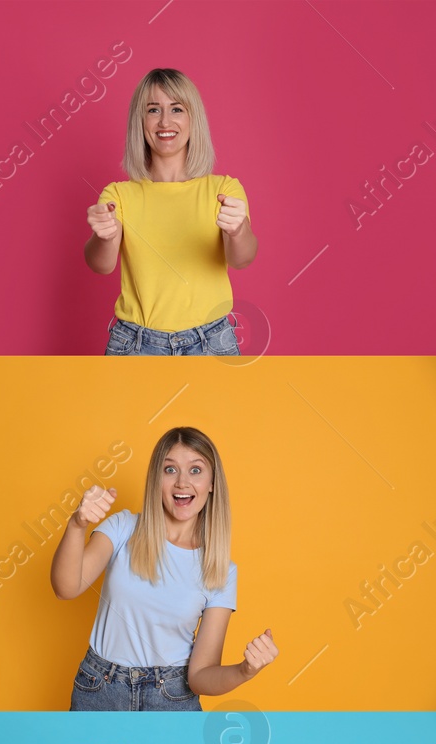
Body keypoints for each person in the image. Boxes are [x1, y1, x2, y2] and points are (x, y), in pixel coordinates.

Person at [50, 426, 277, 710]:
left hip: (171, 698)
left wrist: (245, 670)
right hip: (100, 689)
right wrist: (77, 524)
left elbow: (200, 677)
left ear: (212, 483)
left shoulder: (220, 569)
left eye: (195, 470)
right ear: (156, 479)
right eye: (170, 470)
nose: (182, 482)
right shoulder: (123, 528)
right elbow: (66, 588)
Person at [84, 69, 256, 355]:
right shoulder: (118, 195)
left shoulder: (224, 189)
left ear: (193, 119)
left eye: (177, 109)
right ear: (140, 122)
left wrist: (238, 230)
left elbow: (242, 259)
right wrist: (102, 238)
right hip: (135, 343)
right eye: (153, 110)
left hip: (212, 341)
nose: (165, 121)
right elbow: (101, 265)